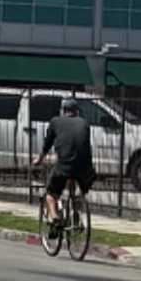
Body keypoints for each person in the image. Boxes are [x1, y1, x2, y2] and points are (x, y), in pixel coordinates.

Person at [38, 100, 97, 235]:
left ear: (63, 111)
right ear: (77, 112)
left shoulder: (55, 121)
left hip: (64, 166)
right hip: (85, 169)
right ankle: (76, 216)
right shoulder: (84, 123)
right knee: (78, 192)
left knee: (50, 194)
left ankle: (54, 218)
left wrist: (40, 158)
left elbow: (48, 143)